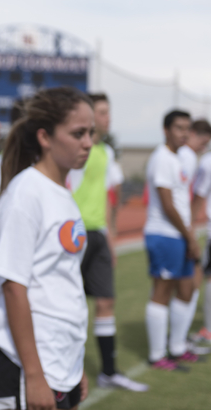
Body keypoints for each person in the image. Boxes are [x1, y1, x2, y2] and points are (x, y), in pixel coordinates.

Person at [0, 87, 93, 410]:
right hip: (26, 365)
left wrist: (74, 363)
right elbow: (14, 288)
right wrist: (33, 375)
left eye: (90, 133)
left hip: (60, 361)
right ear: (45, 137)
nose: (87, 142)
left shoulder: (62, 193)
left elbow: (62, 282)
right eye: (77, 133)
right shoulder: (26, 193)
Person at [66, 93, 148, 391]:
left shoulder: (106, 153)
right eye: (101, 112)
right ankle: (63, 372)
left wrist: (110, 235)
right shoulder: (73, 151)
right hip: (73, 235)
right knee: (69, 305)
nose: (107, 118)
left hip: (98, 235)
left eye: (107, 113)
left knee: (106, 301)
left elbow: (108, 197)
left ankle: (109, 372)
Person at [144, 109, 201, 370]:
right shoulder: (162, 158)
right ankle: (157, 355)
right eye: (179, 128)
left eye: (187, 128)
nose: (184, 133)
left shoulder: (180, 158)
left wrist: (188, 234)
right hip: (163, 234)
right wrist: (190, 235)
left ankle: (177, 347)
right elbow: (167, 205)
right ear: (166, 130)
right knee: (163, 292)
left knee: (187, 289)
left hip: (178, 234)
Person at [185, 119, 211, 345]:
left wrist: (190, 229)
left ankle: (209, 330)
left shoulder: (207, 162)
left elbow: (199, 198)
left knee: (206, 277)